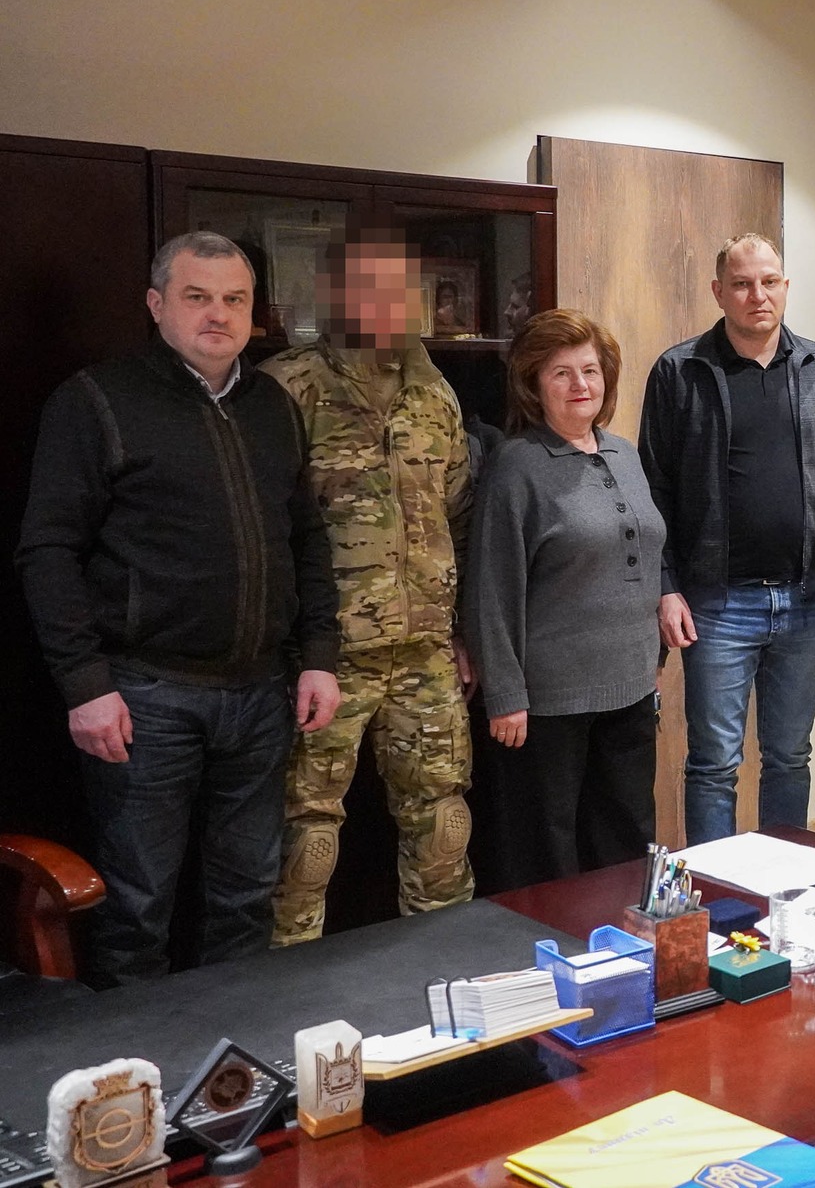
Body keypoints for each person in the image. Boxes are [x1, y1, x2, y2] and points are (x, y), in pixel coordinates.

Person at [16, 231, 341, 984]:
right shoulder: (97, 400)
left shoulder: (274, 406)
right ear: (157, 304)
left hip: (262, 694)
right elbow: (47, 552)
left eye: (234, 299)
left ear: (254, 313)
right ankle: (137, 1057)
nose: (217, 314)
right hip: (145, 696)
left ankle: (235, 1049)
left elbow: (307, 539)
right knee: (137, 905)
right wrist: (84, 684)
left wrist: (319, 657)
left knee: (246, 897)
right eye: (197, 297)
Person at [263, 226, 476, 945]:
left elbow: (458, 513)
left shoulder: (435, 391)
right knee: (305, 834)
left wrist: (461, 631)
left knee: (442, 819)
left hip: (425, 653)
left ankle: (445, 971)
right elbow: (267, 528)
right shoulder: (289, 386)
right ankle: (289, 982)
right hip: (327, 657)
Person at [640, 234, 815, 845]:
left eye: (769, 282)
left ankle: (785, 886)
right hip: (717, 604)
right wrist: (666, 588)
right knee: (714, 765)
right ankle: (718, 892)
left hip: (807, 600)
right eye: (741, 284)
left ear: (785, 287)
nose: (757, 295)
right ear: (719, 292)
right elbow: (654, 489)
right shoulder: (680, 371)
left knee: (789, 758)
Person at [465, 309, 666, 888]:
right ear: (534, 384)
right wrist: (505, 694)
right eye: (561, 373)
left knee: (625, 839)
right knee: (546, 851)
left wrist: (655, 649)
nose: (580, 384)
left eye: (590, 370)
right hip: (547, 703)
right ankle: (549, 946)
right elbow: (492, 588)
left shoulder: (624, 454)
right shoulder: (517, 466)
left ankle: (621, 936)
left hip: (631, 687)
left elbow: (646, 548)